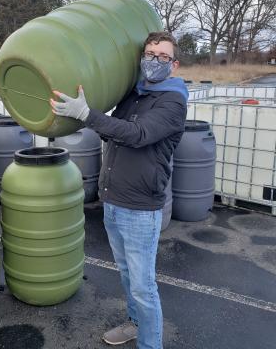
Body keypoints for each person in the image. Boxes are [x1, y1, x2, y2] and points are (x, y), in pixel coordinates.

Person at [50, 31, 188, 349]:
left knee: (143, 286)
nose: (154, 61)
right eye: (149, 54)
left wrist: (86, 114)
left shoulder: (173, 102)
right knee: (127, 274)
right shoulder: (133, 95)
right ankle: (135, 324)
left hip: (140, 207)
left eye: (162, 57)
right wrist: (89, 114)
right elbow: (113, 133)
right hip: (112, 199)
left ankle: (149, 344)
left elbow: (138, 134)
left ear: (174, 65)